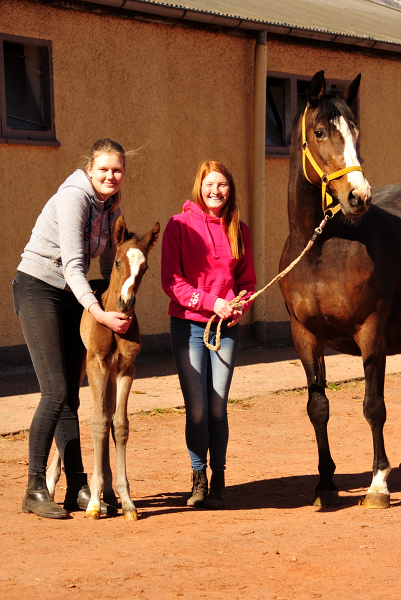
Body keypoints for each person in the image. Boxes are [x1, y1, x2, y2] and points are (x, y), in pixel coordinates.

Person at [13, 138, 133, 519]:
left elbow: (111, 262)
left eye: (117, 170)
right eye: (103, 170)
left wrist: (120, 296)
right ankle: (34, 488)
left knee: (71, 394)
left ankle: (78, 486)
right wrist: (99, 313)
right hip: (38, 288)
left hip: (69, 296)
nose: (110, 176)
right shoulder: (74, 199)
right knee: (55, 391)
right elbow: (72, 265)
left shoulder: (111, 206)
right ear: (89, 170)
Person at [161, 160, 256, 509]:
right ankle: (197, 478)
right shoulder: (178, 226)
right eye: (209, 184)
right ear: (198, 187)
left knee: (217, 405)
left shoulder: (239, 229)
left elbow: (246, 283)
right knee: (197, 408)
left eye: (223, 185)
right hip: (187, 325)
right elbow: (171, 281)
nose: (215, 191)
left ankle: (219, 477)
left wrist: (238, 307)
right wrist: (210, 301)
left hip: (225, 328)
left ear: (230, 190)